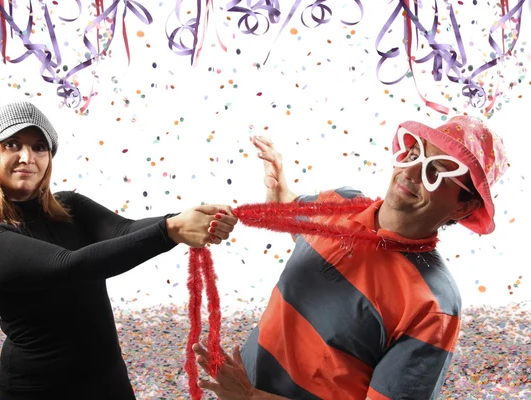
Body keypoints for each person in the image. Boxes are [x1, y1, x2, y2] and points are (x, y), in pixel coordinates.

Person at [192, 115, 508, 399]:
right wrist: (278, 186)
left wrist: (250, 397)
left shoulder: (433, 306)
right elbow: (294, 219)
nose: (410, 172)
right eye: (413, 155)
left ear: (463, 207)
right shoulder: (341, 204)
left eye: (435, 171)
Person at [0, 101, 238, 400]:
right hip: (39, 390)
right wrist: (172, 230)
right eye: (12, 144)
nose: (27, 157)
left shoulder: (68, 207)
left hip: (108, 379)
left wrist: (185, 219)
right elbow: (69, 266)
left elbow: (124, 231)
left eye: (39, 147)